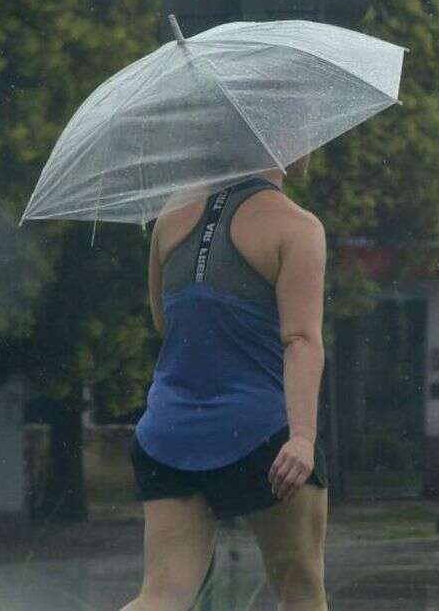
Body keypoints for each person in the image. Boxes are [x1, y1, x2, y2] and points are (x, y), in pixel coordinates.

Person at [121, 155, 329, 611]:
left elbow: (164, 322)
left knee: (161, 595)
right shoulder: (297, 227)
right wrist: (303, 438)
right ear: (279, 140)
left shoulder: (170, 215)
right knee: (301, 595)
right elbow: (300, 339)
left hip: (169, 436)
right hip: (264, 437)